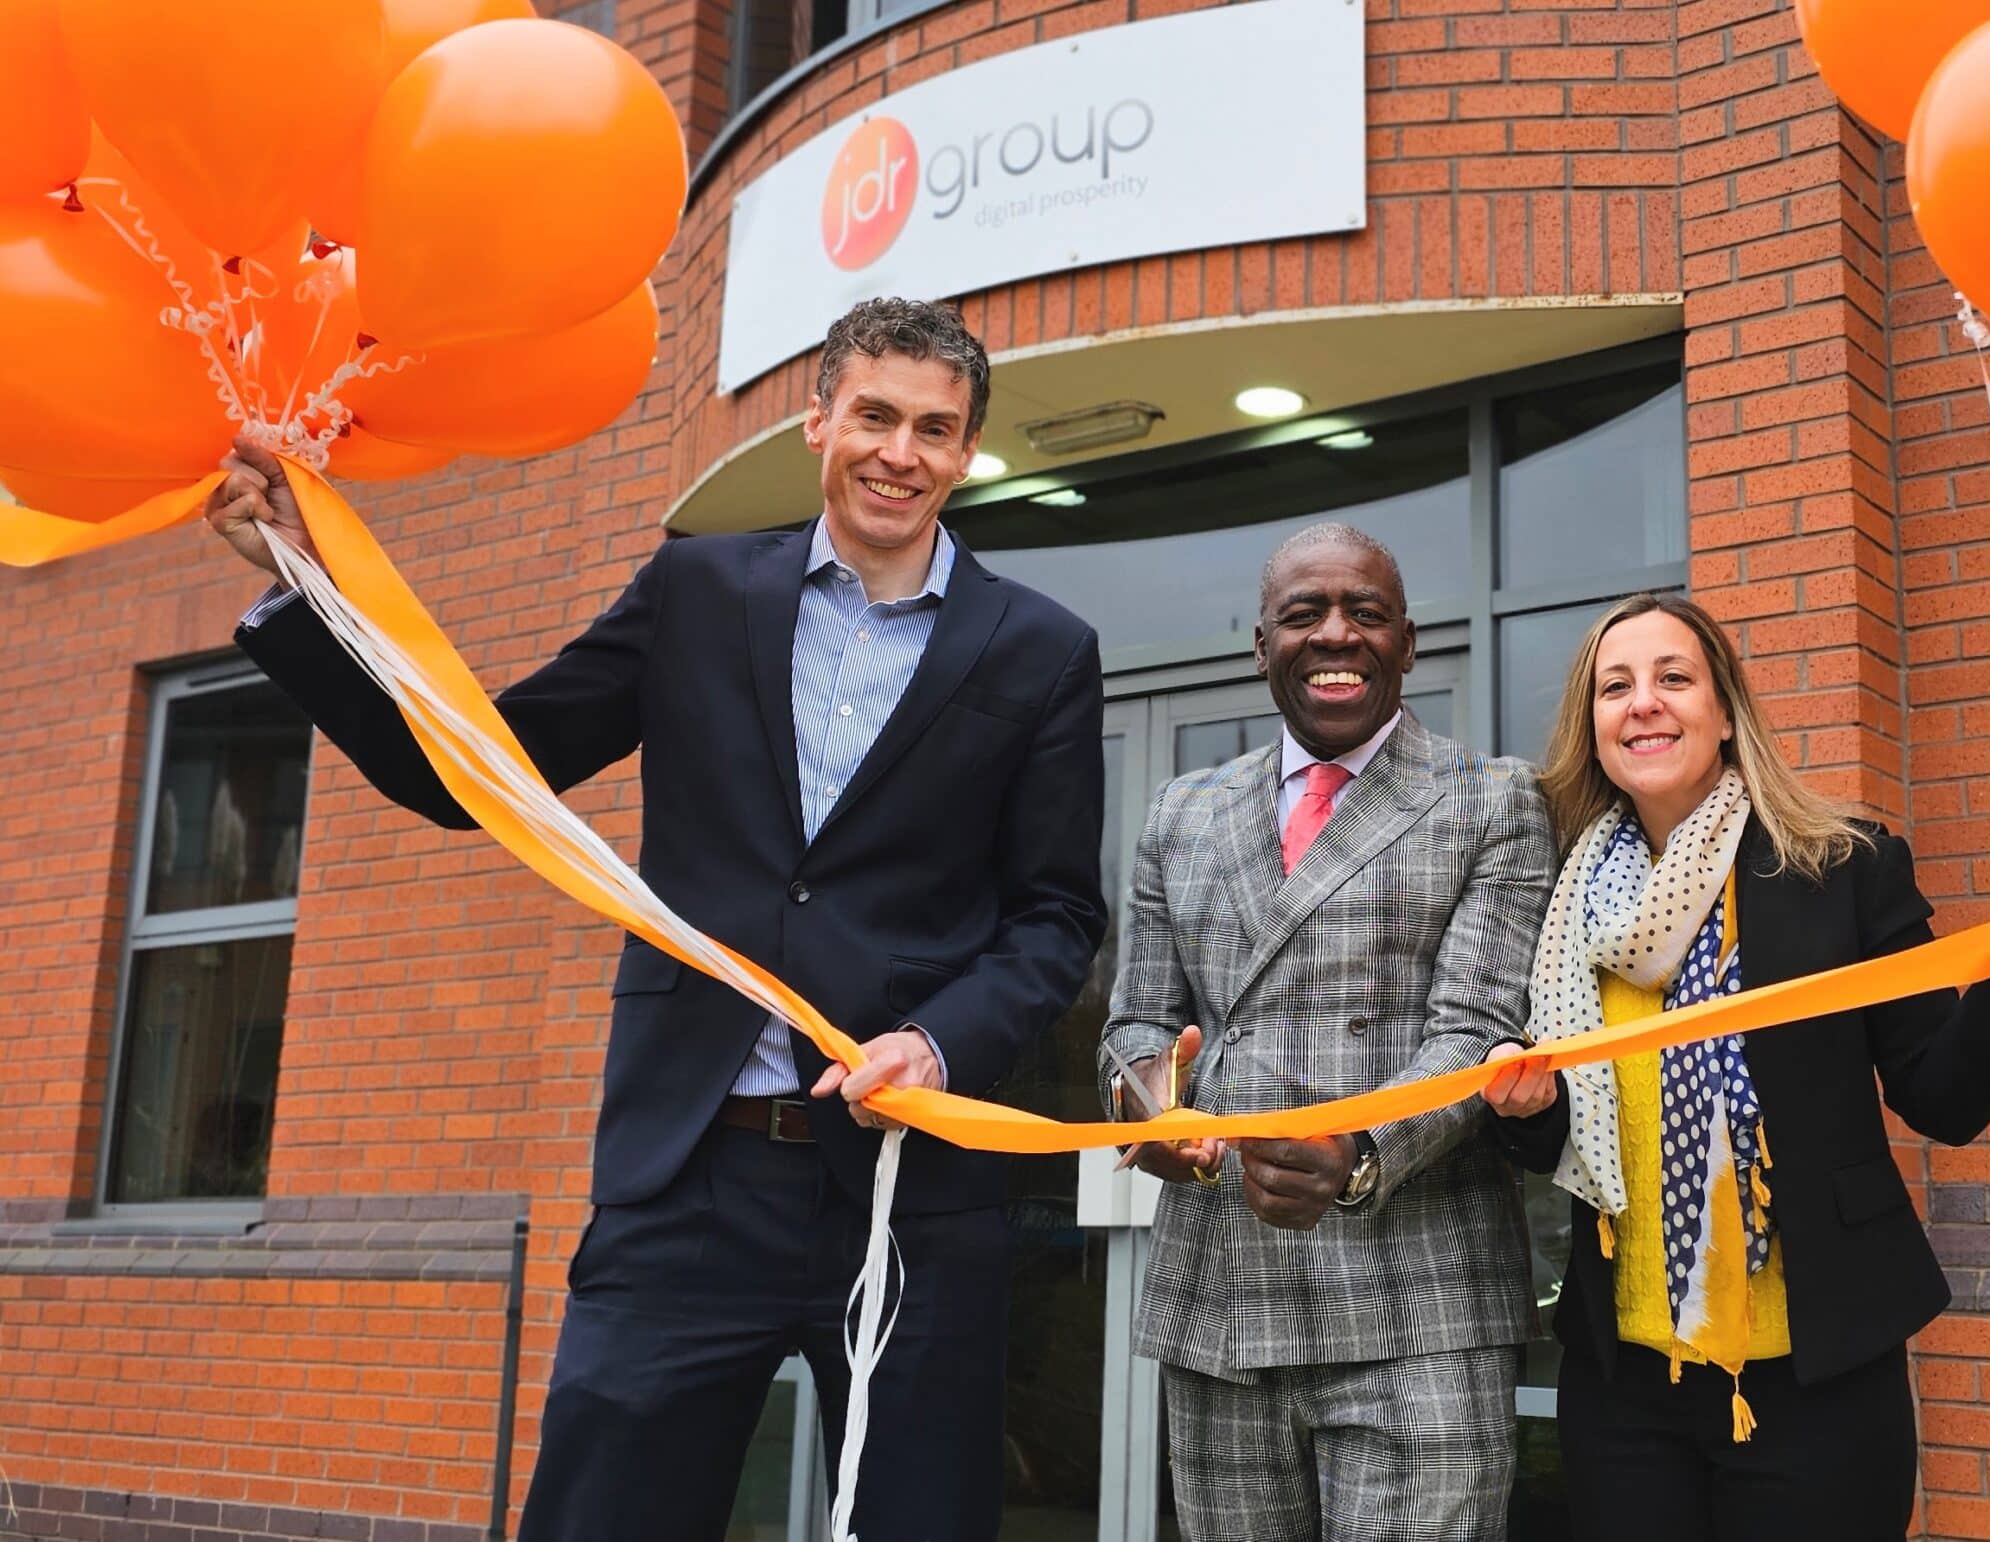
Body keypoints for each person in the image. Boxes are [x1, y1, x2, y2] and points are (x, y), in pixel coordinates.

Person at [202, 299, 1107, 1542]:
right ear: (819, 421)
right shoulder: (695, 590)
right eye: (877, 416)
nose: (902, 451)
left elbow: (1055, 919)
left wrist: (940, 1041)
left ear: (966, 454)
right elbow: (479, 774)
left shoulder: (1042, 649)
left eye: (936, 431)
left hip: (914, 1199)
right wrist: (304, 589)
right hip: (690, 1175)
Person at [1479, 593, 1990, 1538]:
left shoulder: (1841, 866)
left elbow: (1942, 1095)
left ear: (1726, 712)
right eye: (1616, 687)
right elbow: (1563, 1139)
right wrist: (1527, 1112)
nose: (1643, 703)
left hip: (1819, 1383)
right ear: (1594, 726)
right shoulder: (1566, 903)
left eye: (1673, 678)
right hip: (1625, 1394)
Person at [1097, 522, 1555, 1541]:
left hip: (1418, 1301)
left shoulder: (1492, 801)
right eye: (1304, 614)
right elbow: (1134, 1022)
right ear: (1261, 646)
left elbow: (1477, 1032)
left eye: (1367, 613)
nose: (1335, 634)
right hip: (1221, 1297)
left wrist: (1357, 1157)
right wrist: (1150, 1113)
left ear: (1407, 644)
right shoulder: (1181, 813)